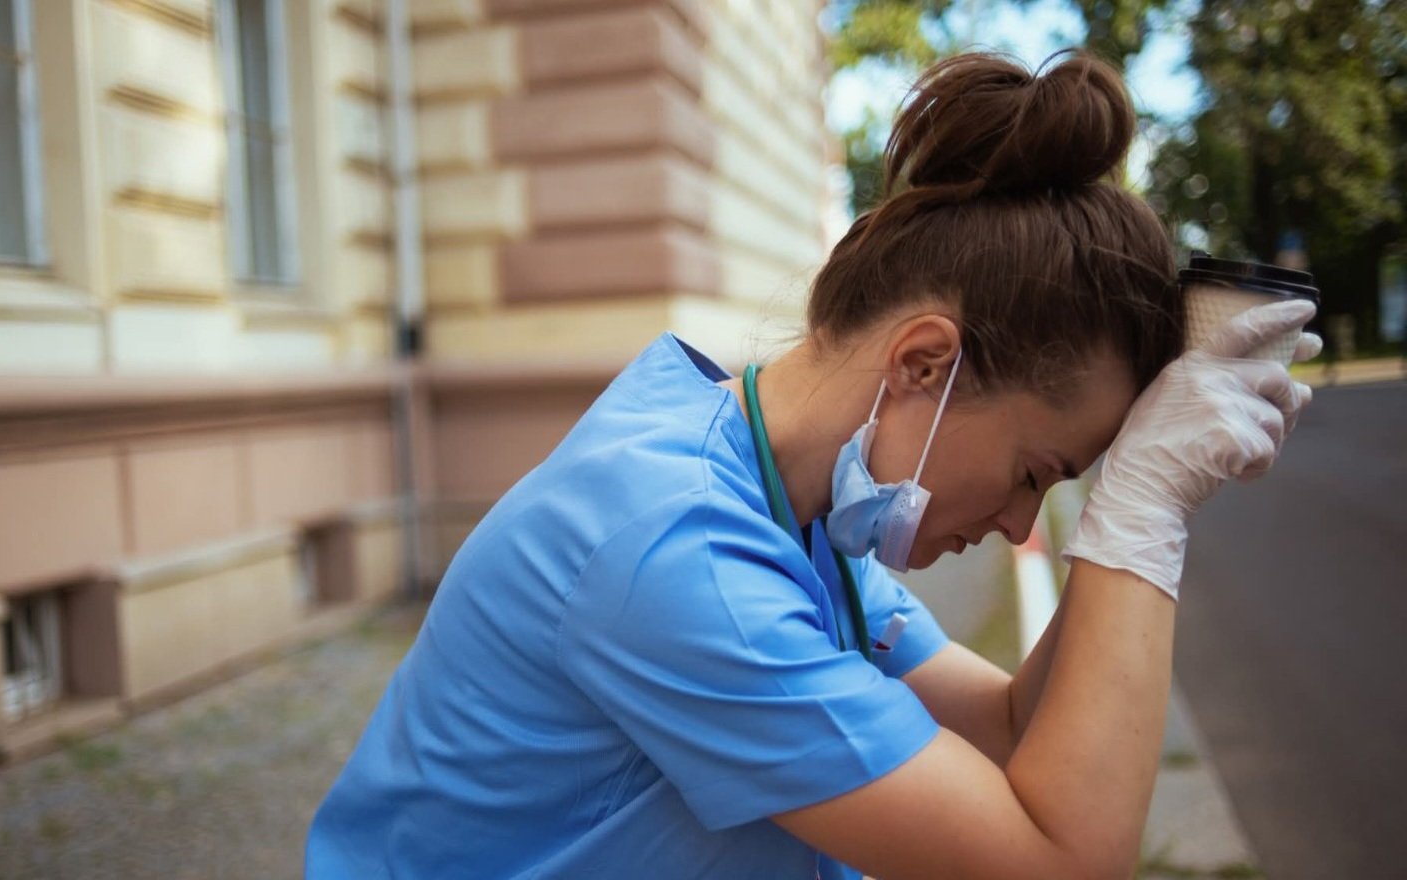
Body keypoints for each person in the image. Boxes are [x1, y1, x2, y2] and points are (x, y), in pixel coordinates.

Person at [305, 52, 1318, 880]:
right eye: (1034, 472)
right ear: (923, 363)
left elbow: (1009, 728)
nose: (1019, 526)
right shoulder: (675, 547)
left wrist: (1136, 485)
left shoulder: (786, 504)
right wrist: (1143, 513)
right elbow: (1055, 863)